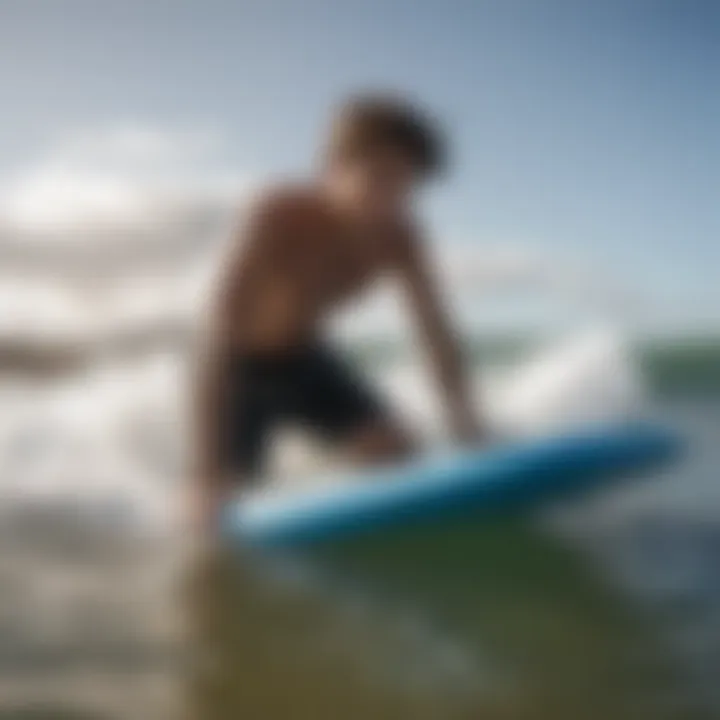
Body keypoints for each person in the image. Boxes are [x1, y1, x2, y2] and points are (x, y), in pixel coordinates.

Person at [191, 93, 482, 531]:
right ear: (334, 165)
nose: (389, 198)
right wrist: (206, 470)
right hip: (238, 369)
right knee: (218, 519)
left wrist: (467, 427)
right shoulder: (279, 214)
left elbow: (436, 335)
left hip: (305, 361)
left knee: (400, 458)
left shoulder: (400, 240)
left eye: (405, 185)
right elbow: (220, 329)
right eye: (379, 176)